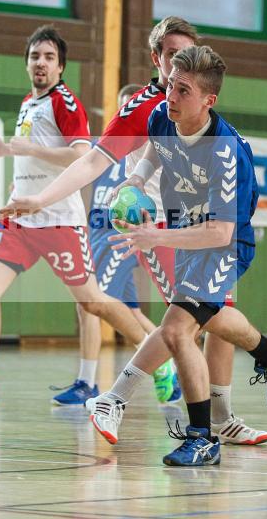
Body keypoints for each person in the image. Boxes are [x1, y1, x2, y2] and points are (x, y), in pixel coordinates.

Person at [1, 18, 267, 445]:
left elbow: (221, 218)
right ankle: (149, 405)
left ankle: (227, 408)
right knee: (183, 324)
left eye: (185, 58)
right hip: (159, 227)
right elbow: (92, 161)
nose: (176, 68)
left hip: (210, 230)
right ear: (156, 58)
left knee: (209, 321)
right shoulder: (149, 108)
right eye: (169, 56)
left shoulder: (206, 117)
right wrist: (40, 199)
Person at [0, 26, 175, 416]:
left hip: (59, 221)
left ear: (61, 66)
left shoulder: (65, 103)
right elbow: (32, 158)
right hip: (20, 216)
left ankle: (159, 359)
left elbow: (80, 154)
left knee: (95, 303)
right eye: (35, 56)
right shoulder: (28, 103)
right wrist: (10, 159)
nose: (41, 63)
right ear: (27, 63)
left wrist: (27, 149)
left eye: (49, 58)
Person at [102, 45, 267, 466]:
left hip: (224, 243)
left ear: (209, 101)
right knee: (210, 317)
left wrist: (157, 238)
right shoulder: (160, 116)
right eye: (170, 83)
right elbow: (155, 150)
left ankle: (199, 436)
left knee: (176, 329)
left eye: (182, 90)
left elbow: (221, 230)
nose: (170, 95)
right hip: (187, 229)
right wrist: (134, 180)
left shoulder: (225, 151)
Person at [56, 84, 181, 406]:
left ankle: (153, 364)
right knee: (126, 310)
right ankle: (94, 378)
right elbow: (77, 171)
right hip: (99, 232)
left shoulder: (145, 152)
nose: (129, 114)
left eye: (133, 107)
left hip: (124, 234)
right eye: (124, 107)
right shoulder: (106, 148)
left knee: (97, 301)